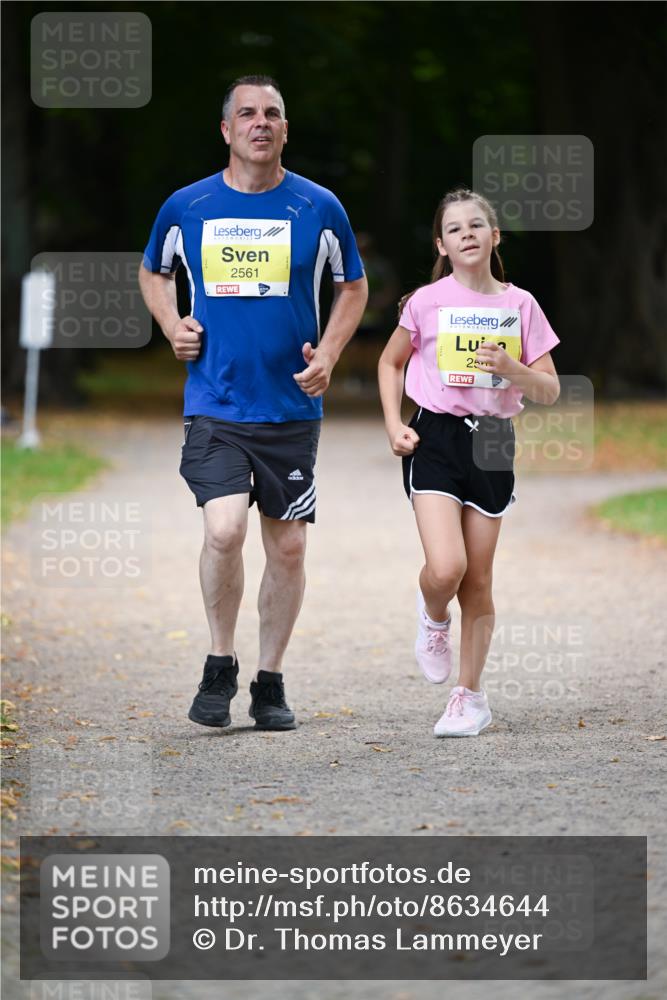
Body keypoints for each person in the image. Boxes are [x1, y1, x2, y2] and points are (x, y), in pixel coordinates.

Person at [139, 75, 368, 732]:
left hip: (291, 409)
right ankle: (219, 662)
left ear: (285, 131)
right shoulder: (187, 205)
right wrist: (171, 322)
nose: (260, 123)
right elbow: (152, 269)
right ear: (226, 130)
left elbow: (352, 287)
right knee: (224, 529)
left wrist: (327, 354)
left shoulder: (318, 206)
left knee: (288, 547)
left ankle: (269, 680)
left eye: (272, 114)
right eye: (247, 113)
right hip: (214, 402)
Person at [378, 188, 559, 737]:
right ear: (442, 244)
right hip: (435, 436)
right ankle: (434, 616)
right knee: (447, 569)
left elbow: (548, 390)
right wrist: (393, 423)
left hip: (494, 443)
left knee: (477, 580)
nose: (468, 234)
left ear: (494, 236)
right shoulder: (426, 302)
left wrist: (513, 368)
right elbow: (390, 364)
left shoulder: (521, 305)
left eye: (477, 225)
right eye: (455, 229)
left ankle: (469, 697)